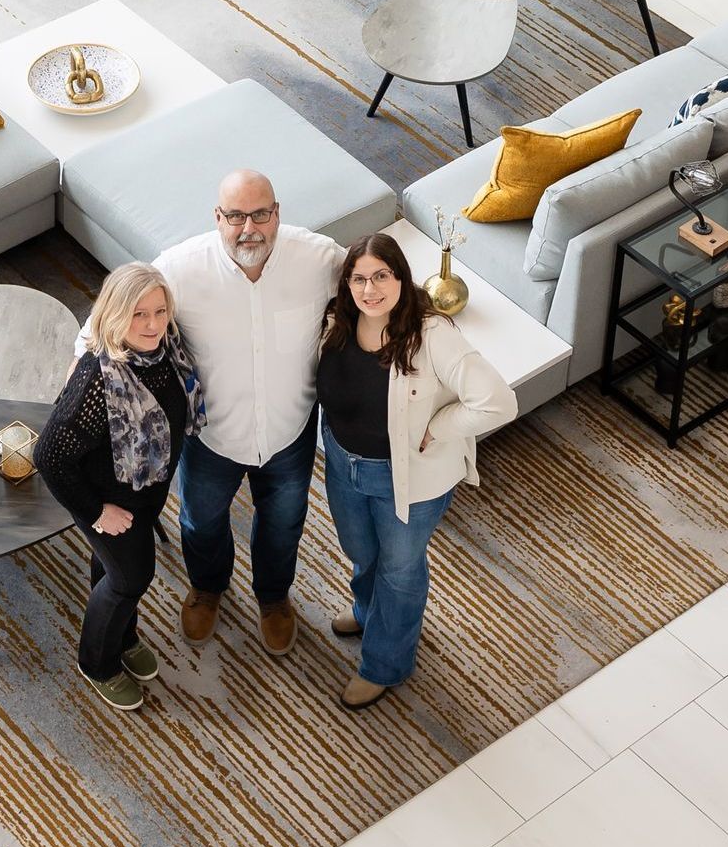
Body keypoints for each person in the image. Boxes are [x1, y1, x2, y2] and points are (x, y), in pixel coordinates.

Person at [317, 232, 515, 709]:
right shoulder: (337, 321)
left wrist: (444, 425)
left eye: (381, 276)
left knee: (400, 570)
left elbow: (498, 401)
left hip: (406, 477)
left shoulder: (432, 335)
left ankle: (385, 664)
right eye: (359, 279)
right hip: (343, 462)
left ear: (401, 277)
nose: (370, 289)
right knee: (360, 550)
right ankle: (369, 612)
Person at [153, 170, 346, 655]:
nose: (249, 228)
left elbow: (379, 283)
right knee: (200, 521)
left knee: (284, 522)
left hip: (289, 432)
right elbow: (114, 313)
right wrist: (81, 359)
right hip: (212, 434)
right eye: (235, 216)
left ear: (277, 213)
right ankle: (207, 587)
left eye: (261, 214)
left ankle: (274, 597)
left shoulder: (319, 258)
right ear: (217, 218)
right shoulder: (180, 270)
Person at [34, 263, 203, 713]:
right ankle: (98, 663)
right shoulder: (96, 380)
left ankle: (124, 637)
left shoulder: (164, 348)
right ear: (113, 315)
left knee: (112, 568)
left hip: (145, 488)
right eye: (137, 315)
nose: (151, 325)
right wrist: (95, 512)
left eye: (159, 311)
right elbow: (48, 457)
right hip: (105, 498)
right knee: (132, 578)